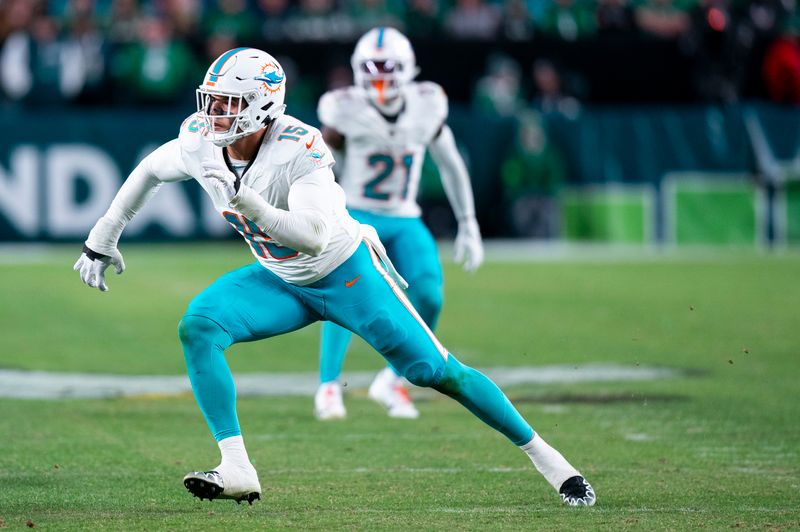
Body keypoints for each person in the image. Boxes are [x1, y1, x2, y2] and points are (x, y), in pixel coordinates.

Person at [73, 47, 596, 507]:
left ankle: (552, 462)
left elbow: (314, 237)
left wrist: (248, 201)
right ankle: (237, 467)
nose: (213, 114)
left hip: (347, 276)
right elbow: (149, 170)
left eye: (227, 103)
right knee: (200, 325)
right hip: (280, 279)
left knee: (437, 373)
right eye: (209, 100)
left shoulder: (301, 147)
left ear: (262, 106)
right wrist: (104, 234)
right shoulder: (200, 142)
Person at [313, 27, 483, 421]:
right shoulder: (343, 109)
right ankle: (327, 385)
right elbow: (317, 163)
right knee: (345, 297)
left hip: (404, 216)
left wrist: (468, 222)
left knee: (429, 293)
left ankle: (392, 380)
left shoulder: (427, 104)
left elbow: (451, 163)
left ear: (408, 70)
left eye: (387, 70)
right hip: (356, 213)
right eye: (371, 70)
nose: (379, 80)